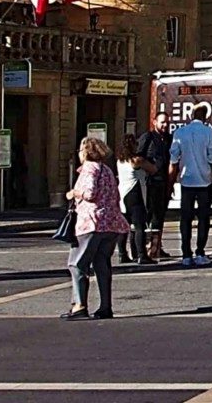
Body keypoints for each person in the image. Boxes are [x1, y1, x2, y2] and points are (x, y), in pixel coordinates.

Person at [63, 136, 129, 320]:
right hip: (111, 223)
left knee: (77, 263)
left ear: (86, 151)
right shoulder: (107, 169)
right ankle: (105, 306)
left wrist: (73, 193)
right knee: (102, 264)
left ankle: (79, 305)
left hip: (91, 222)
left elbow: (90, 193)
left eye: (80, 150)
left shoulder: (89, 168)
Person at [169, 102, 212, 267]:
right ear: (205, 117)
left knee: (186, 218)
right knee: (204, 218)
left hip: (186, 180)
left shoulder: (180, 132)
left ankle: (186, 253)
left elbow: (174, 159)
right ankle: (200, 251)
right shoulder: (209, 133)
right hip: (204, 180)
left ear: (191, 116)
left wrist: (171, 182)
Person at [136, 112, 173, 261]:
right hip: (150, 182)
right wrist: (150, 168)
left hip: (164, 182)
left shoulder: (169, 139)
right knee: (150, 216)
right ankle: (146, 248)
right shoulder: (148, 137)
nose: (165, 125)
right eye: (162, 122)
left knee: (160, 215)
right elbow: (139, 157)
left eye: (167, 123)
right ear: (154, 122)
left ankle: (157, 246)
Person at [116, 135, 154, 264]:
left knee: (124, 227)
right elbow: (153, 169)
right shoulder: (136, 160)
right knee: (139, 226)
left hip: (122, 194)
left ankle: (122, 254)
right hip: (134, 194)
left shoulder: (120, 161)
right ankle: (141, 255)